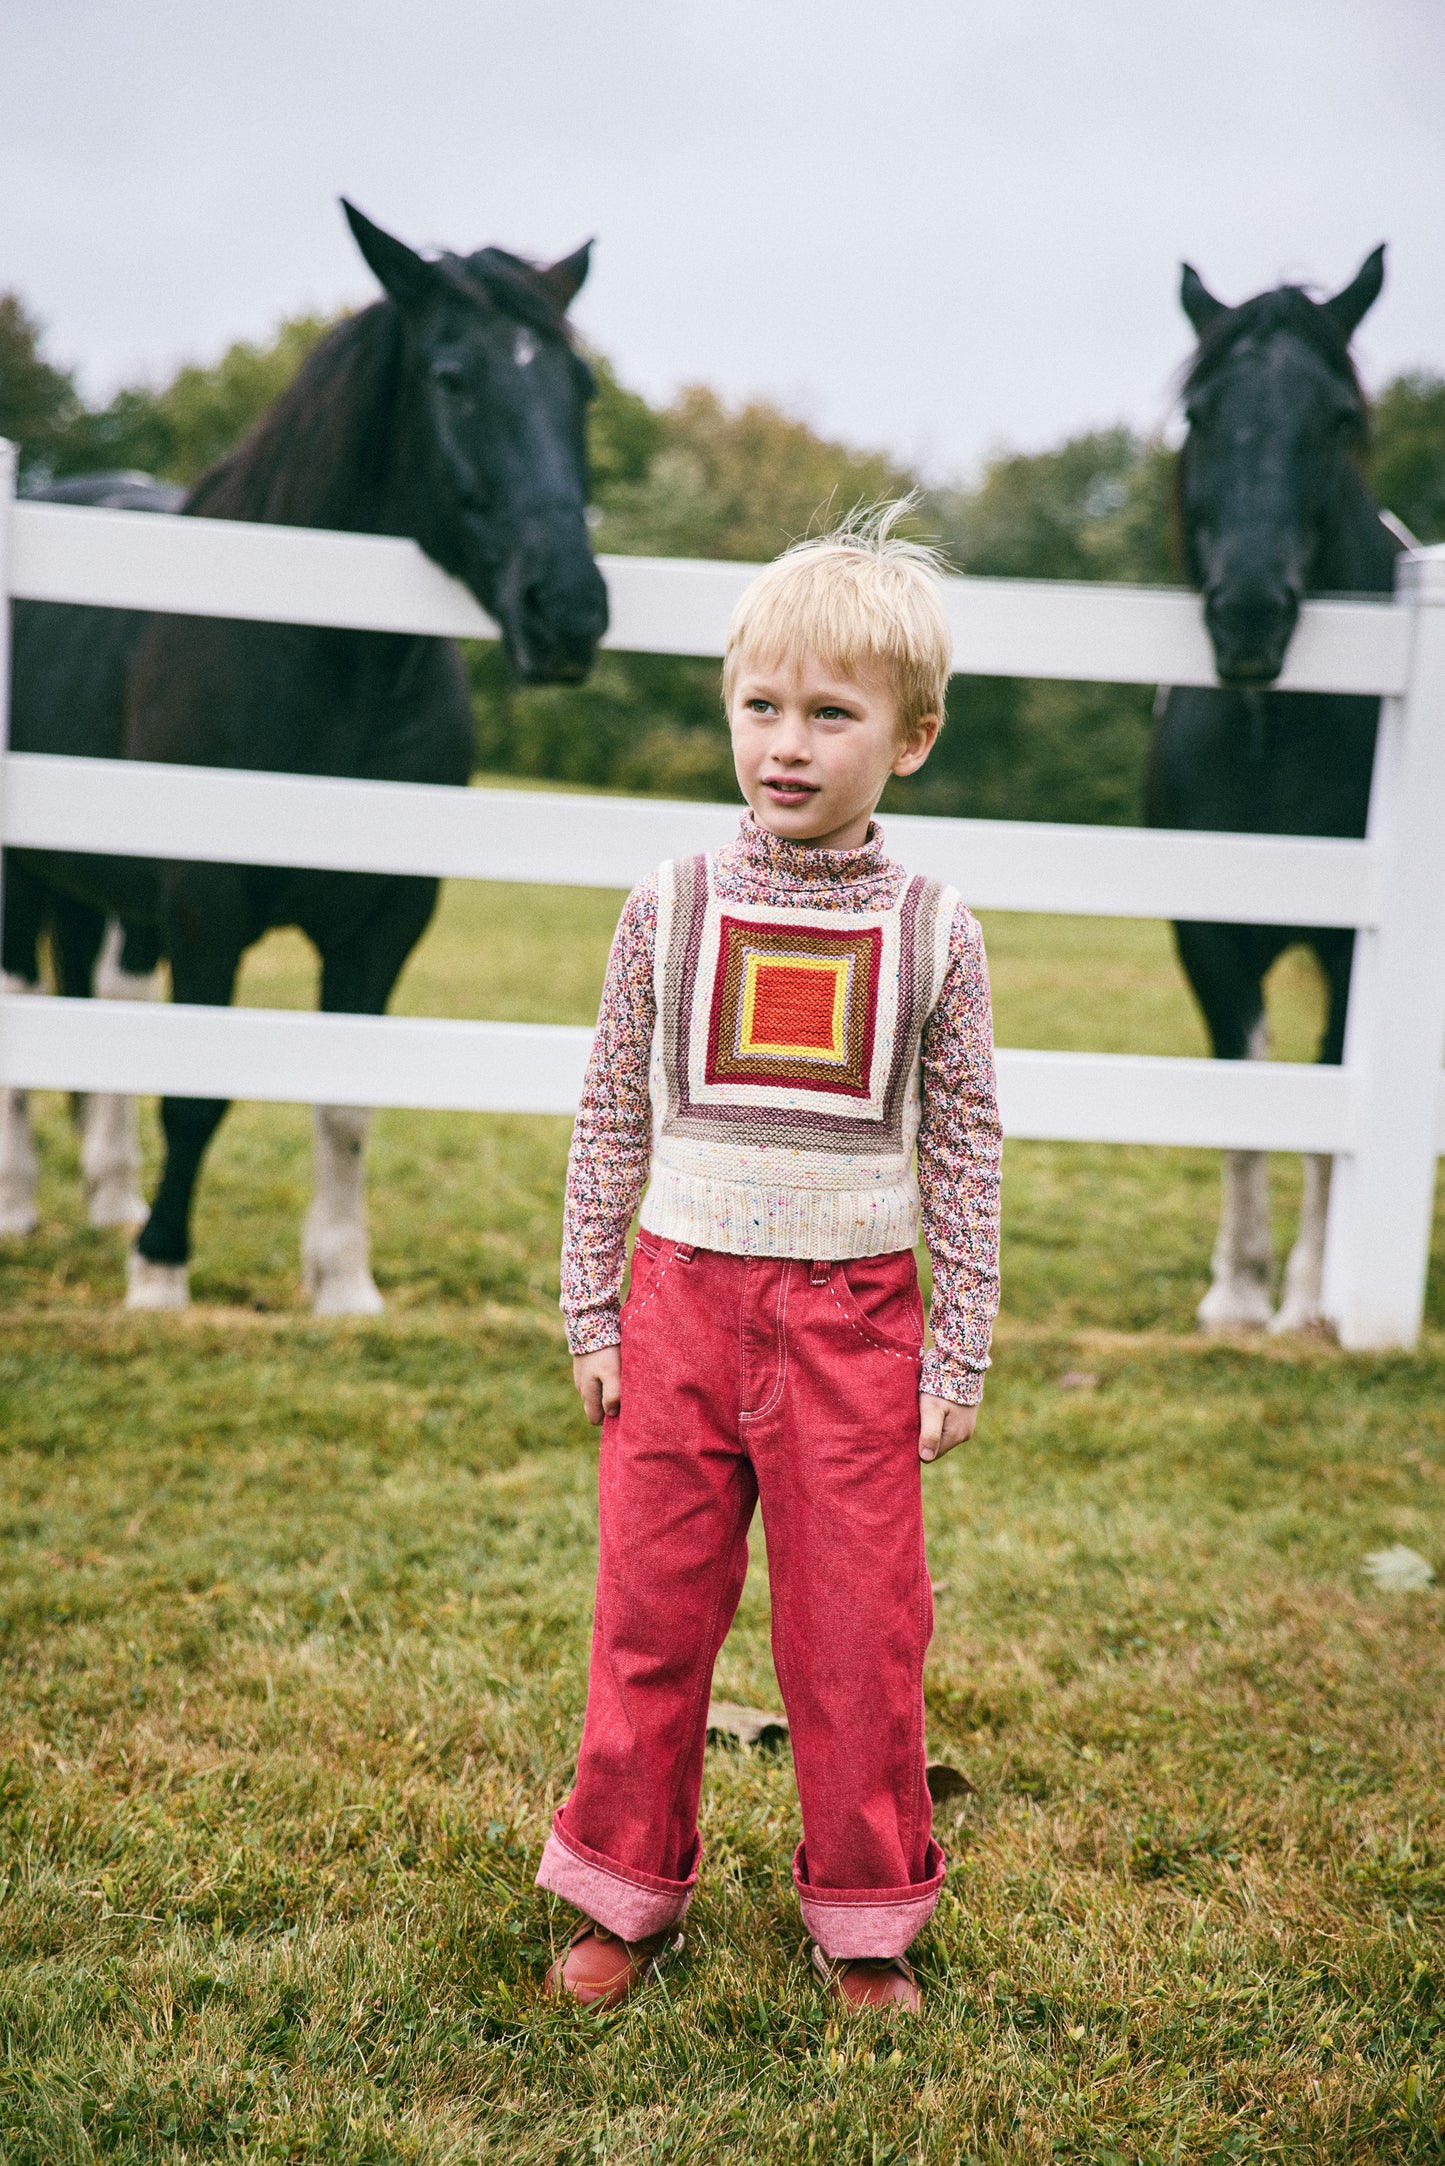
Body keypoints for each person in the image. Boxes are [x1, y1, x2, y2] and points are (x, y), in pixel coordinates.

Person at [537, 504, 1001, 2013]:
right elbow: (611, 1110)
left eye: (829, 713)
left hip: (851, 1322)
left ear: (910, 738)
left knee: (855, 1625)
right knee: (652, 1610)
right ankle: (622, 1888)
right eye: (758, 706)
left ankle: (866, 1914)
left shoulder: (935, 933)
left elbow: (963, 1154)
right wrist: (591, 1300)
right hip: (677, 1305)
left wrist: (958, 1340)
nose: (784, 743)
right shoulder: (667, 906)